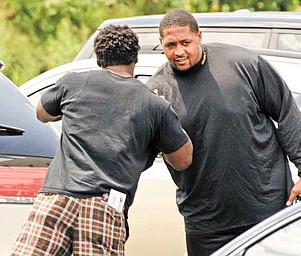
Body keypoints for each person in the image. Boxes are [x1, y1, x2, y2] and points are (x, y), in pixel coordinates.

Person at [146, 8, 301, 256]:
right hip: (205, 221)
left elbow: (286, 112)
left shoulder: (243, 64)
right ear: (162, 44)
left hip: (266, 213)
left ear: (199, 36)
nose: (179, 51)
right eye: (170, 45)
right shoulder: (157, 91)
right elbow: (139, 149)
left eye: (186, 42)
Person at [11, 24, 193, 256]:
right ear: (134, 58)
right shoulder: (154, 105)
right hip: (104, 208)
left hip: (56, 199)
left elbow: (42, 113)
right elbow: (183, 159)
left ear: (98, 58)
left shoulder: (73, 83)